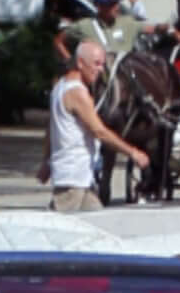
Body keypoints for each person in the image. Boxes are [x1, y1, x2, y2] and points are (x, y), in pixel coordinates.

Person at [46, 27, 124, 202]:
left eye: (102, 64)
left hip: (84, 182)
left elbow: (50, 129)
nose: (101, 70)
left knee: (96, 225)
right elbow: (99, 131)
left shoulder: (60, 86)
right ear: (80, 63)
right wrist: (133, 152)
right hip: (71, 183)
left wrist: (46, 162)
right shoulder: (77, 93)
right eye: (96, 64)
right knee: (63, 226)